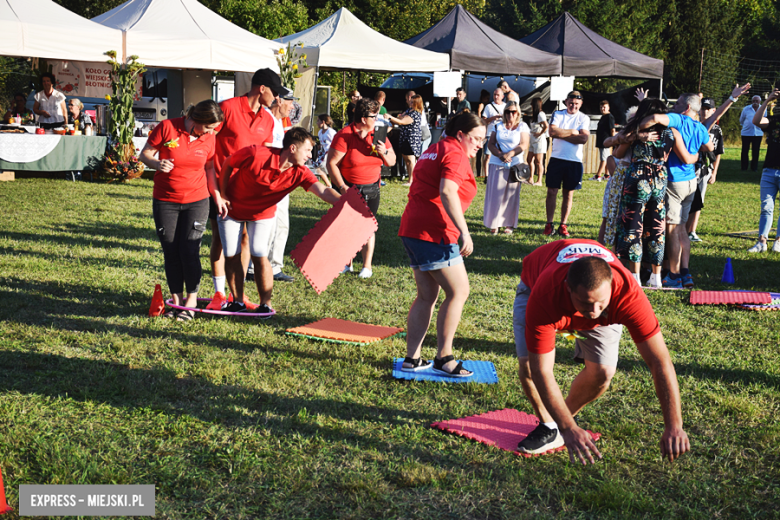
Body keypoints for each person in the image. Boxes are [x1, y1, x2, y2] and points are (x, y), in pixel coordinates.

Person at [512, 239, 690, 462]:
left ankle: (558, 423)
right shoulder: (547, 294)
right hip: (536, 284)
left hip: (603, 301)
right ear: (568, 289)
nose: (594, 312)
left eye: (600, 303)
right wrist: (570, 428)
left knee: (603, 373)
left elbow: (660, 361)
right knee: (529, 365)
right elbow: (542, 372)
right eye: (586, 303)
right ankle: (550, 425)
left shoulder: (627, 294)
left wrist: (674, 425)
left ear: (611, 287)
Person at [398, 112, 486, 377]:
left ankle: (412, 359)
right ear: (460, 135)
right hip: (434, 232)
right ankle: (444, 357)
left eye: (483, 140)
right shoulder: (456, 154)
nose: (479, 145)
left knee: (427, 296)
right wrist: (465, 232)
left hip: (414, 228)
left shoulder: (434, 148)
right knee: (459, 292)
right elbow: (448, 191)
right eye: (476, 138)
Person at [218, 128, 341, 314]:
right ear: (292, 148)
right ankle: (238, 301)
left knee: (259, 254)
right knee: (231, 255)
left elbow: (322, 191)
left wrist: (344, 202)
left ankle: (265, 305)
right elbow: (227, 163)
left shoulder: (300, 171)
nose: (309, 156)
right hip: (233, 209)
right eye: (307, 151)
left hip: (262, 213)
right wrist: (223, 194)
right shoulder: (256, 153)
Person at [139, 100, 225, 321]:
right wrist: (157, 164)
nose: (211, 132)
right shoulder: (168, 127)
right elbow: (145, 155)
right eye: (208, 127)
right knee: (171, 250)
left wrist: (217, 196)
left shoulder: (210, 138)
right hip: (165, 200)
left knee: (189, 249)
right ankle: (176, 302)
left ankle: (191, 302)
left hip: (197, 200)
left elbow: (209, 168)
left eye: (214, 128)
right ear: (196, 119)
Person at [207, 68, 281, 311]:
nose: (277, 98)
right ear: (262, 89)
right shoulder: (227, 107)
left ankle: (238, 295)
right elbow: (208, 138)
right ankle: (219, 293)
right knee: (220, 240)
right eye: (274, 93)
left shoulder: (268, 119)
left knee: (246, 240)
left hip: (249, 191)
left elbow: (266, 155)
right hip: (222, 188)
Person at [610, 99, 697, 288]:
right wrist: (698, 155)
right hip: (659, 179)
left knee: (633, 226)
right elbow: (687, 158)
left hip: (638, 177)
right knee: (656, 227)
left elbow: (617, 153)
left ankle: (635, 276)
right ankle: (656, 277)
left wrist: (630, 138)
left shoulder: (636, 132)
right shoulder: (672, 132)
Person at [327, 98, 397, 279]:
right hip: (350, 187)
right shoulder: (345, 135)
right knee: (347, 226)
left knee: (367, 226)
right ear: (363, 118)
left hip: (372, 187)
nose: (378, 120)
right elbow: (332, 163)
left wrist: (384, 151)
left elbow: (392, 162)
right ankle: (346, 262)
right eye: (375, 116)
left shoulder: (379, 135)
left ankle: (367, 266)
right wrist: (342, 186)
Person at [544, 91, 590, 237]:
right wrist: (572, 132)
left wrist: (562, 134)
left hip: (574, 160)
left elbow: (583, 139)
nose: (573, 106)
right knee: (552, 192)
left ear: (581, 104)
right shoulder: (558, 114)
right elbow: (552, 131)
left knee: (568, 194)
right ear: (566, 102)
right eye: (571, 103)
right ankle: (549, 223)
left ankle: (563, 224)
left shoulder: (584, 118)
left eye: (576, 103)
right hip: (557, 158)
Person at [265, 91, 298, 283]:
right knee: (269, 224)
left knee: (282, 223)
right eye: (290, 102)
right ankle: (259, 266)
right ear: (279, 100)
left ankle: (274, 265)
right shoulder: (267, 120)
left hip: (282, 179)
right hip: (271, 179)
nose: (292, 107)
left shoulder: (280, 122)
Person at [484, 101, 529, 234]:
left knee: (511, 195)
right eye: (508, 111)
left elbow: (524, 144)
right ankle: (494, 223)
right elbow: (491, 144)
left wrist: (510, 154)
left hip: (515, 165)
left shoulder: (523, 126)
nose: (510, 114)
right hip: (497, 163)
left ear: (518, 113)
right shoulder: (497, 126)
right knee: (495, 194)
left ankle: (509, 223)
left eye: (513, 112)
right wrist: (500, 155)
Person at [747, 88, 780, 253]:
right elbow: (756, 121)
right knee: (766, 207)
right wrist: (767, 101)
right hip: (769, 171)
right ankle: (762, 241)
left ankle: (778, 241)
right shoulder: (773, 120)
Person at [687, 97, 724, 243]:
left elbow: (718, 153)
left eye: (708, 109)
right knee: (687, 199)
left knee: (699, 201)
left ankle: (692, 230)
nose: (704, 111)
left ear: (714, 111)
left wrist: (714, 172)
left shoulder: (716, 129)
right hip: (691, 167)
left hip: (705, 169)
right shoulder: (694, 124)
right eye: (702, 108)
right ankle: (683, 227)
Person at [388, 94, 423, 188]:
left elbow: (402, 121)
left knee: (411, 160)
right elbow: (400, 118)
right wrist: (395, 118)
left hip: (412, 139)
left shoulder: (415, 113)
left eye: (412, 102)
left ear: (416, 103)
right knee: (406, 159)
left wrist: (390, 117)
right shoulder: (408, 110)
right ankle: (409, 178)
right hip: (404, 137)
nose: (410, 103)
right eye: (410, 101)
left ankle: (412, 180)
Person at [481, 88, 505, 178]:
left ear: (502, 96)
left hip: (501, 134)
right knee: (488, 156)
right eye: (494, 94)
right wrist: (493, 118)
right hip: (490, 133)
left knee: (500, 155)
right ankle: (487, 176)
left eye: (498, 95)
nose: (495, 97)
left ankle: (498, 174)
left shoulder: (505, 106)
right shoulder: (489, 106)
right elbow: (483, 121)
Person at [592, 100, 615, 181]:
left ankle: (598, 176)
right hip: (601, 141)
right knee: (605, 157)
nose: (602, 109)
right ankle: (606, 175)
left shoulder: (609, 117)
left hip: (606, 141)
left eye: (604, 107)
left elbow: (612, 129)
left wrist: (613, 140)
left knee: (603, 159)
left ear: (608, 108)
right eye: (601, 107)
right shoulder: (603, 116)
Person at [527, 97, 548, 186]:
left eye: (532, 104)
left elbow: (546, 125)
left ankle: (539, 180)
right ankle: (530, 178)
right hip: (533, 140)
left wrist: (540, 133)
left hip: (539, 140)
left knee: (539, 161)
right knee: (529, 159)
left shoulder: (541, 114)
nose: (531, 106)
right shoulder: (535, 115)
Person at [739, 95, 764, 172]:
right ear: (751, 101)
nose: (755, 102)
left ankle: (754, 168)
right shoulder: (746, 109)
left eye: (757, 101)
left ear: (760, 102)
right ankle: (744, 167)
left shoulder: (763, 109)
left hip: (758, 133)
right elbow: (741, 120)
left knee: (756, 151)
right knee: (745, 150)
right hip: (746, 133)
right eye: (754, 101)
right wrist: (747, 126)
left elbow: (765, 119)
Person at [312, 114, 336, 186]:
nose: (317, 123)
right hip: (322, 153)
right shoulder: (320, 132)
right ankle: (329, 185)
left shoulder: (331, 132)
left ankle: (333, 183)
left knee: (328, 168)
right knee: (317, 167)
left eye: (318, 121)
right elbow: (322, 143)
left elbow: (336, 142)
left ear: (323, 122)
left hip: (329, 153)